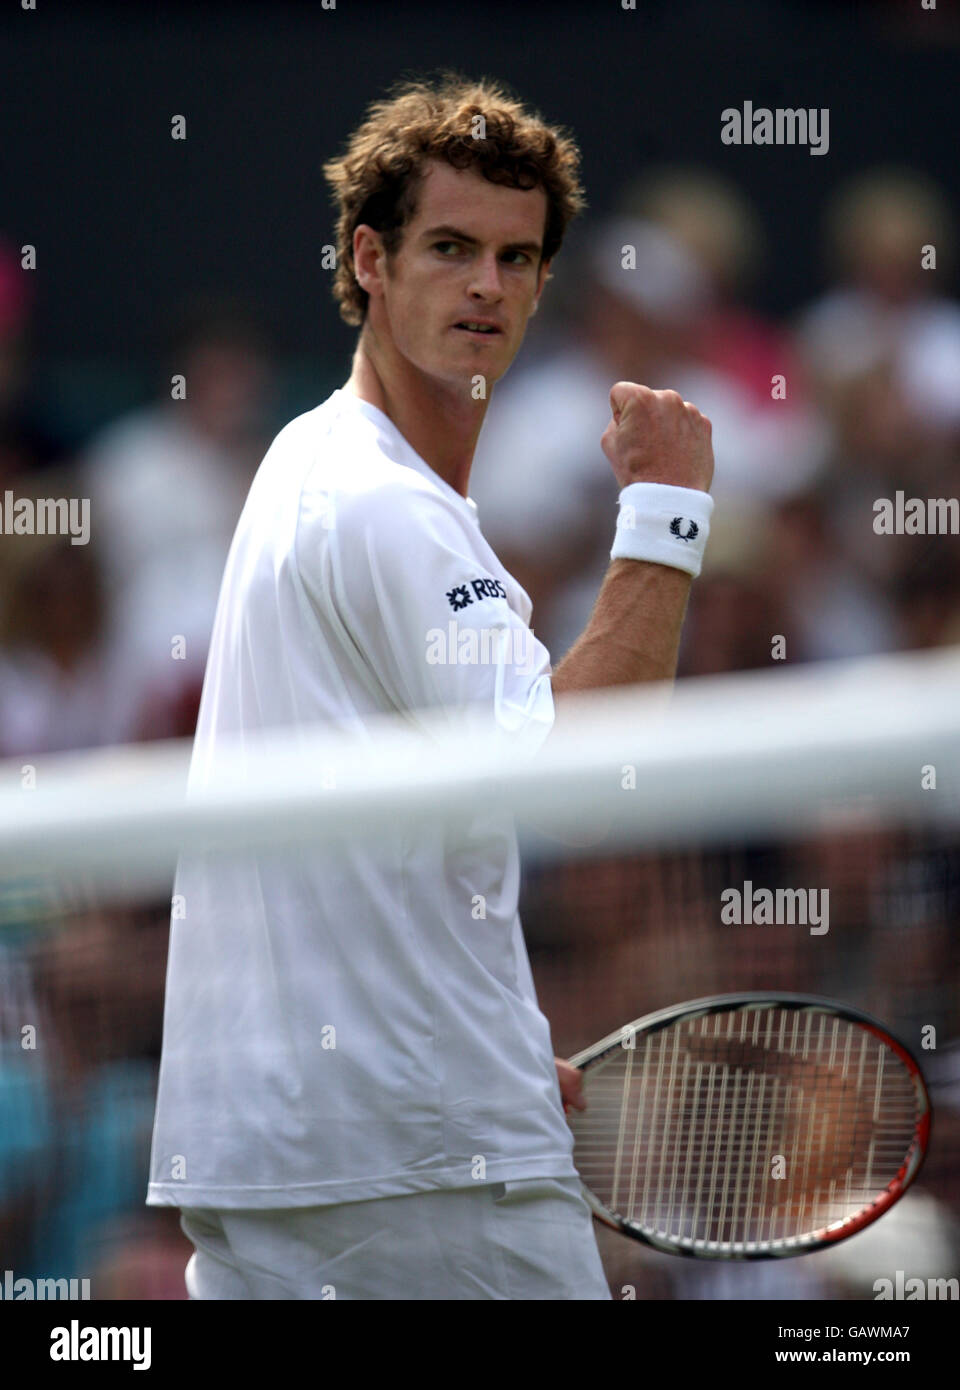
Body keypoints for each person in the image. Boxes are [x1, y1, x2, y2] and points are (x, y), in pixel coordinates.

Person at [146, 72, 714, 1300]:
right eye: (450, 248)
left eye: (517, 258)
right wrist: (668, 511)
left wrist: (483, 1048)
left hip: (294, 1152)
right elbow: (588, 787)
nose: (486, 287)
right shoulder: (382, 502)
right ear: (370, 259)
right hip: (411, 1170)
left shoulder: (315, 462)